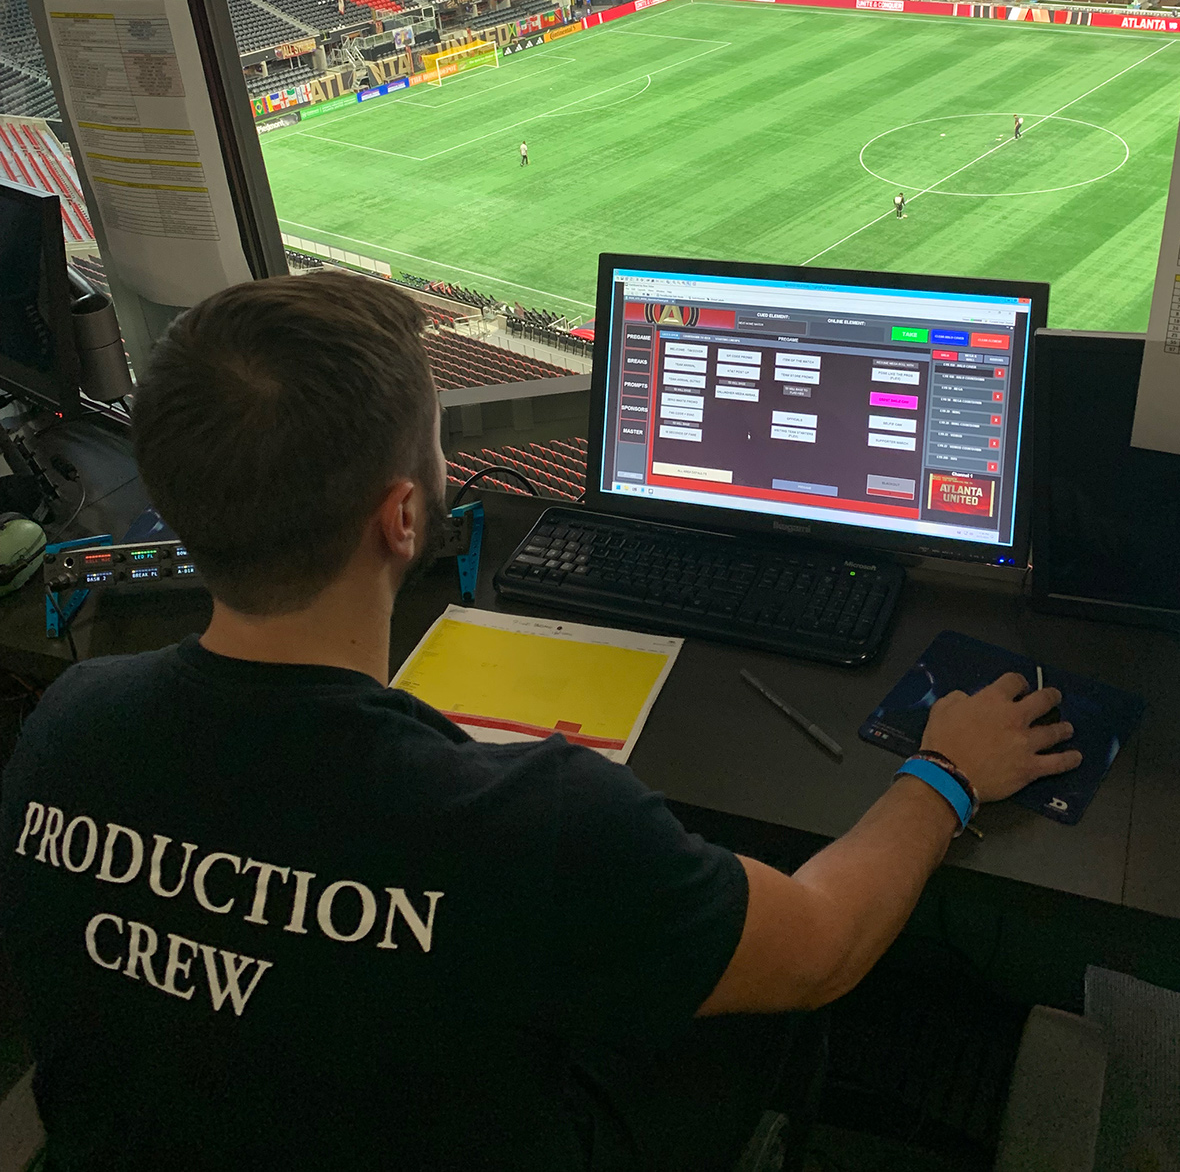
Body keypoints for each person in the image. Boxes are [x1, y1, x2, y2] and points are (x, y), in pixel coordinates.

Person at [0, 273, 1081, 1172]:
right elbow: (822, 947)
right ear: (405, 514)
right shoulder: (532, 818)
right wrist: (945, 768)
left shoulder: (67, 725)